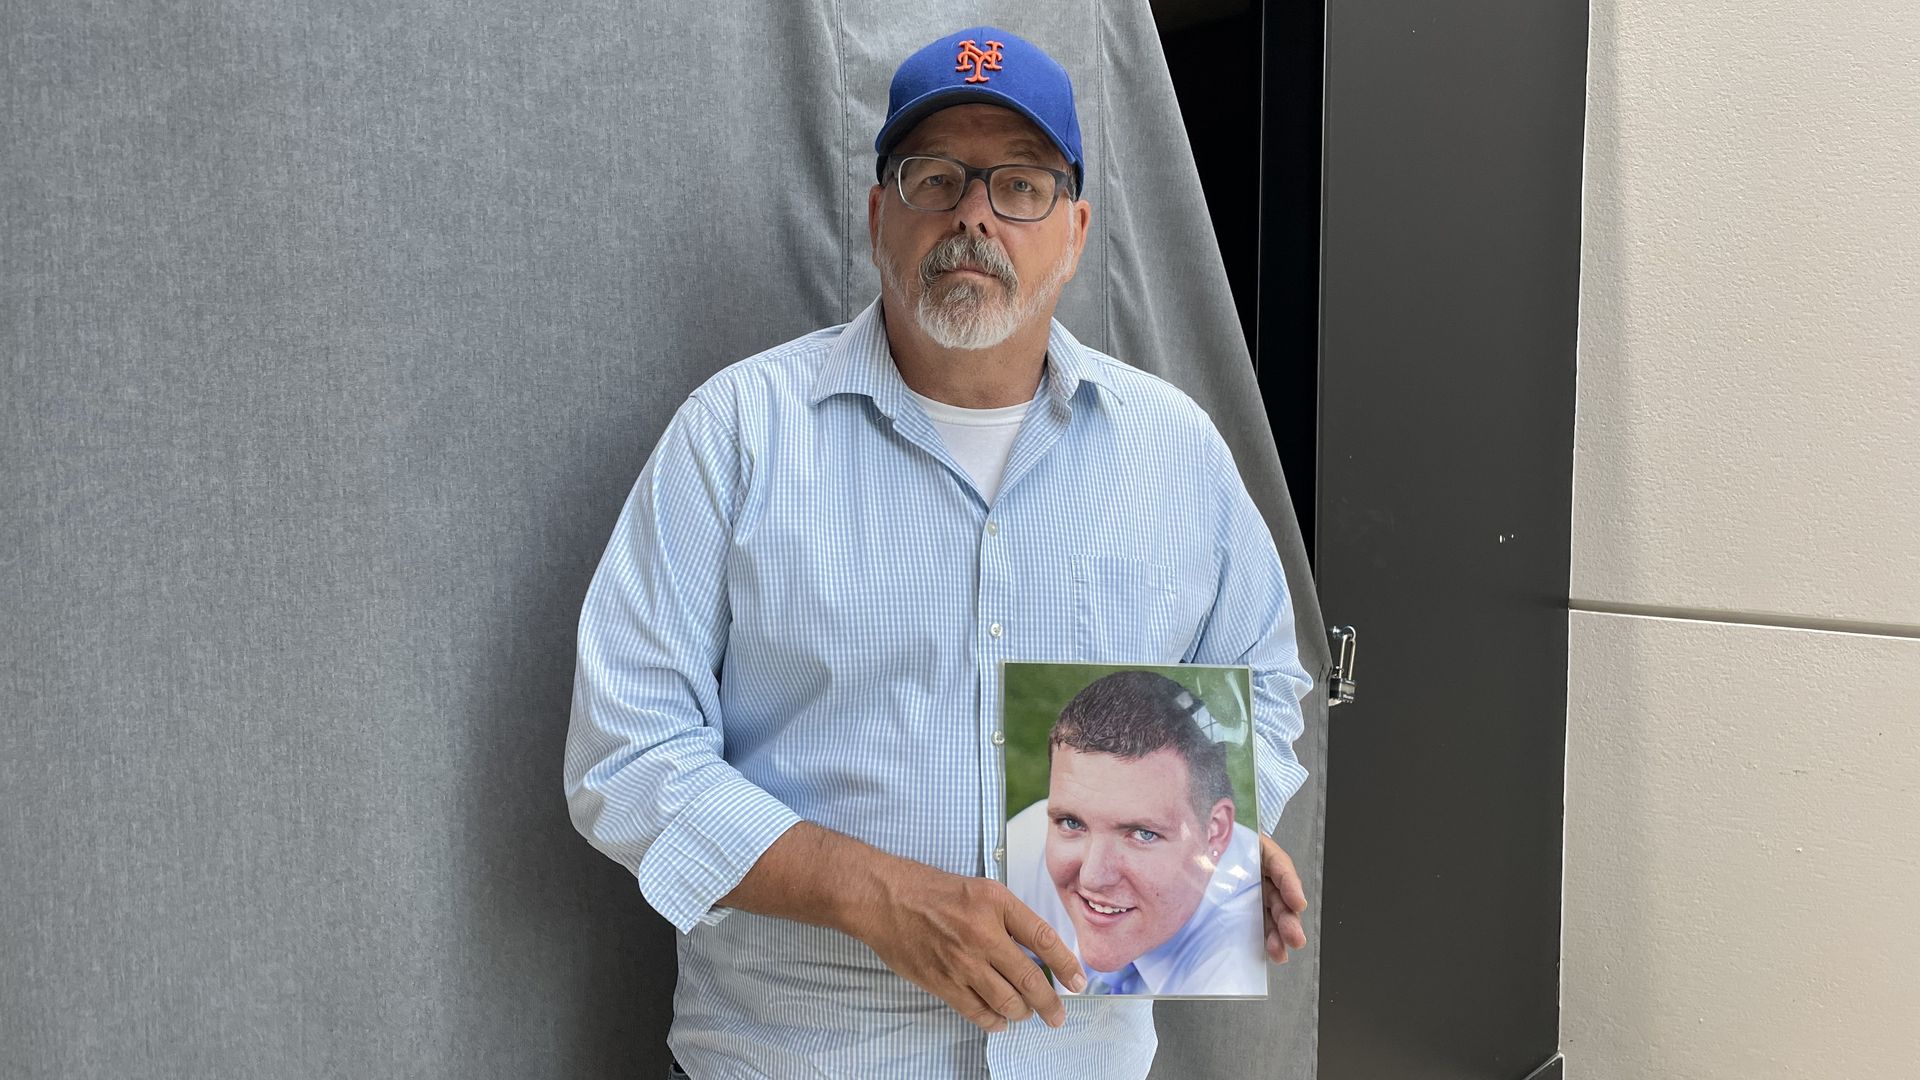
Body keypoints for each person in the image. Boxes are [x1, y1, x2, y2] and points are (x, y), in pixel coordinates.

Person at [563, 24, 1313, 1080]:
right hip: (801, 1059)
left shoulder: (1175, 452)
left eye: (1020, 184)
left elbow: (1267, 688)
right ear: (879, 214)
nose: (973, 214)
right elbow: (627, 756)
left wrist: (1200, 841)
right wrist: (882, 898)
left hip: (1078, 1057)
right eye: (934, 177)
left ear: (1077, 229)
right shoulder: (737, 434)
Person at [1006, 670, 1267, 997]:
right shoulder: (1035, 838)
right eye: (1073, 822)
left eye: (1142, 834)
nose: (1092, 877)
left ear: (1215, 833)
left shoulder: (1234, 975)